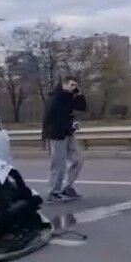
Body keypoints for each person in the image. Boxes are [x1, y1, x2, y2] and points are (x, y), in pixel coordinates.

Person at [42, 75, 87, 203]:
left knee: (78, 160)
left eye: (76, 85)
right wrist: (69, 124)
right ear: (64, 84)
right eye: (72, 85)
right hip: (57, 134)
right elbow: (51, 118)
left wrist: (79, 94)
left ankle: (68, 187)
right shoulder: (56, 98)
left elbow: (82, 107)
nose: (74, 88)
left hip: (67, 132)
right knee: (59, 165)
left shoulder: (69, 97)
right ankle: (53, 192)